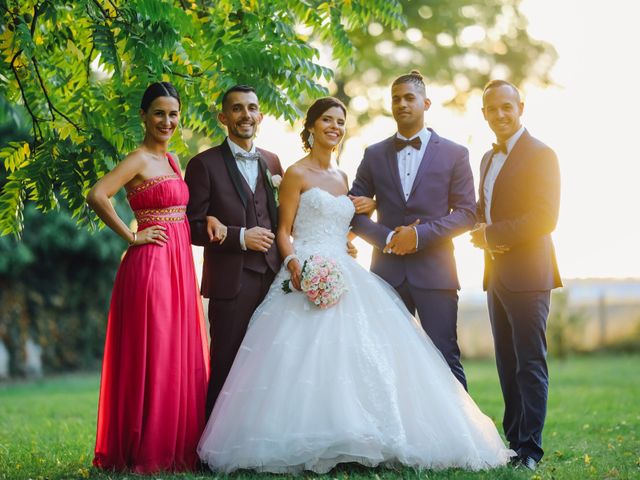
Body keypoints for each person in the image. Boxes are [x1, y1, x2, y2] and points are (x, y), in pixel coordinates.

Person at [197, 97, 513, 474]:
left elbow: (345, 221)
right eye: (327, 120)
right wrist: (296, 262)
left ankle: (360, 438)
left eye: (340, 121)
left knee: (361, 354)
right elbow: (284, 231)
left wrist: (356, 228)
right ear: (310, 127)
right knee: (300, 358)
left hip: (345, 271)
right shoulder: (295, 173)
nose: (334, 127)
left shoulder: (344, 178)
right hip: (305, 268)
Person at [87, 82, 209, 473]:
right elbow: (98, 194)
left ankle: (177, 444)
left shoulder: (173, 160)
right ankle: (147, 448)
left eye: (173, 114)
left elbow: (182, 212)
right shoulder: (137, 158)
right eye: (159, 113)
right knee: (154, 350)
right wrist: (131, 235)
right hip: (151, 264)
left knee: (176, 349)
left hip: (180, 263)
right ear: (144, 116)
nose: (167, 121)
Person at [349, 70, 476, 388]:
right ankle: (396, 438)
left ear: (426, 102)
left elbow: (466, 213)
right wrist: (389, 238)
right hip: (386, 275)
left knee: (444, 357)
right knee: (386, 359)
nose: (402, 104)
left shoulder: (455, 154)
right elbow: (352, 212)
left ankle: (463, 437)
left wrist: (419, 236)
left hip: (436, 274)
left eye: (409, 97)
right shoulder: (373, 154)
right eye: (396, 99)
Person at [470, 79, 562, 471]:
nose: (500, 115)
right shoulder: (487, 159)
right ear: (485, 114)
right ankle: (514, 444)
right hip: (495, 275)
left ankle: (531, 451)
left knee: (530, 364)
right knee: (506, 364)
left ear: (520, 107)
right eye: (492, 109)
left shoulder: (543, 155)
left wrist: (492, 233)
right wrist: (477, 227)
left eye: (507, 107)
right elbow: (482, 208)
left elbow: (545, 217)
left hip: (529, 275)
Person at [184, 85, 284, 418]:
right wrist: (240, 237)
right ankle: (210, 451)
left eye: (252, 108)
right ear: (223, 117)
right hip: (231, 282)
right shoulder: (203, 164)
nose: (246, 115)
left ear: (261, 115)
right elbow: (193, 228)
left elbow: (284, 219)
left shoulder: (273, 161)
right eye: (237, 109)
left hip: (273, 278)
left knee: (270, 365)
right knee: (226, 362)